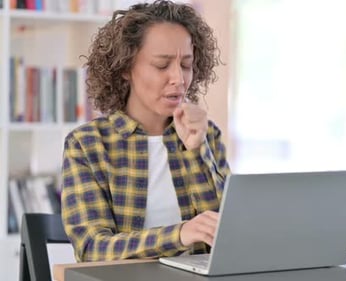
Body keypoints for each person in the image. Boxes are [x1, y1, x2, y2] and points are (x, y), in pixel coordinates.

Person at [61, 0, 230, 262]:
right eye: (162, 65)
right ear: (126, 68)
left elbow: (227, 236)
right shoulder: (87, 145)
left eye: (186, 65)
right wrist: (180, 234)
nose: (178, 78)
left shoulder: (208, 135)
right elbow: (92, 249)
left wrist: (196, 150)